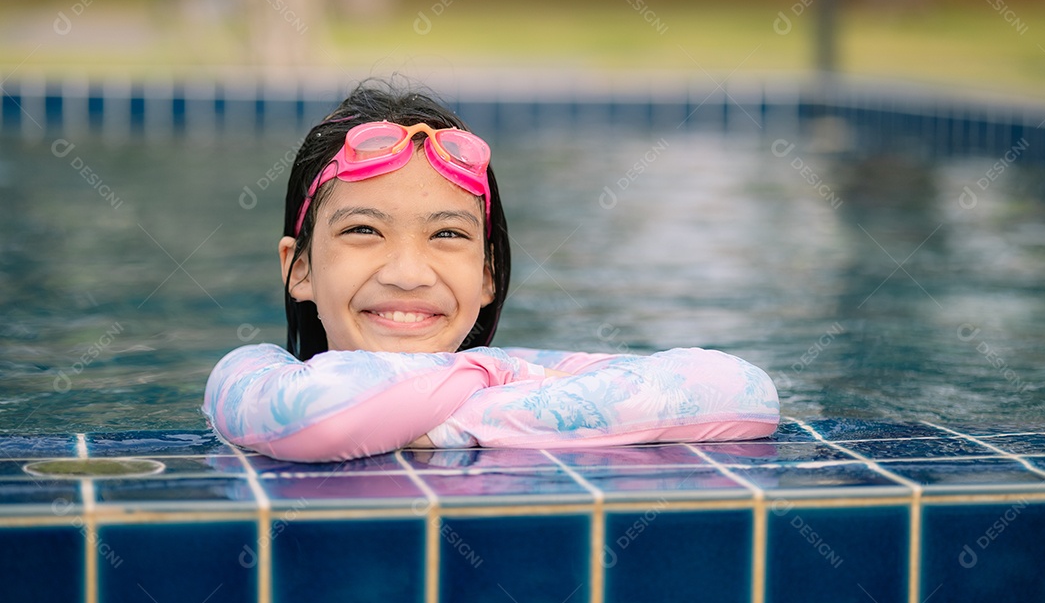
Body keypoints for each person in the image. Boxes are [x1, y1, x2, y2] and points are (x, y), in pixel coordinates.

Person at [204, 80, 779, 461]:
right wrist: (489, 390)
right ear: (298, 268)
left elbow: (741, 392)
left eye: (447, 235)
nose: (408, 273)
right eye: (364, 231)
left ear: (487, 278)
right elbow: (316, 416)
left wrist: (449, 415)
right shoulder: (246, 378)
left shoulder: (502, 371)